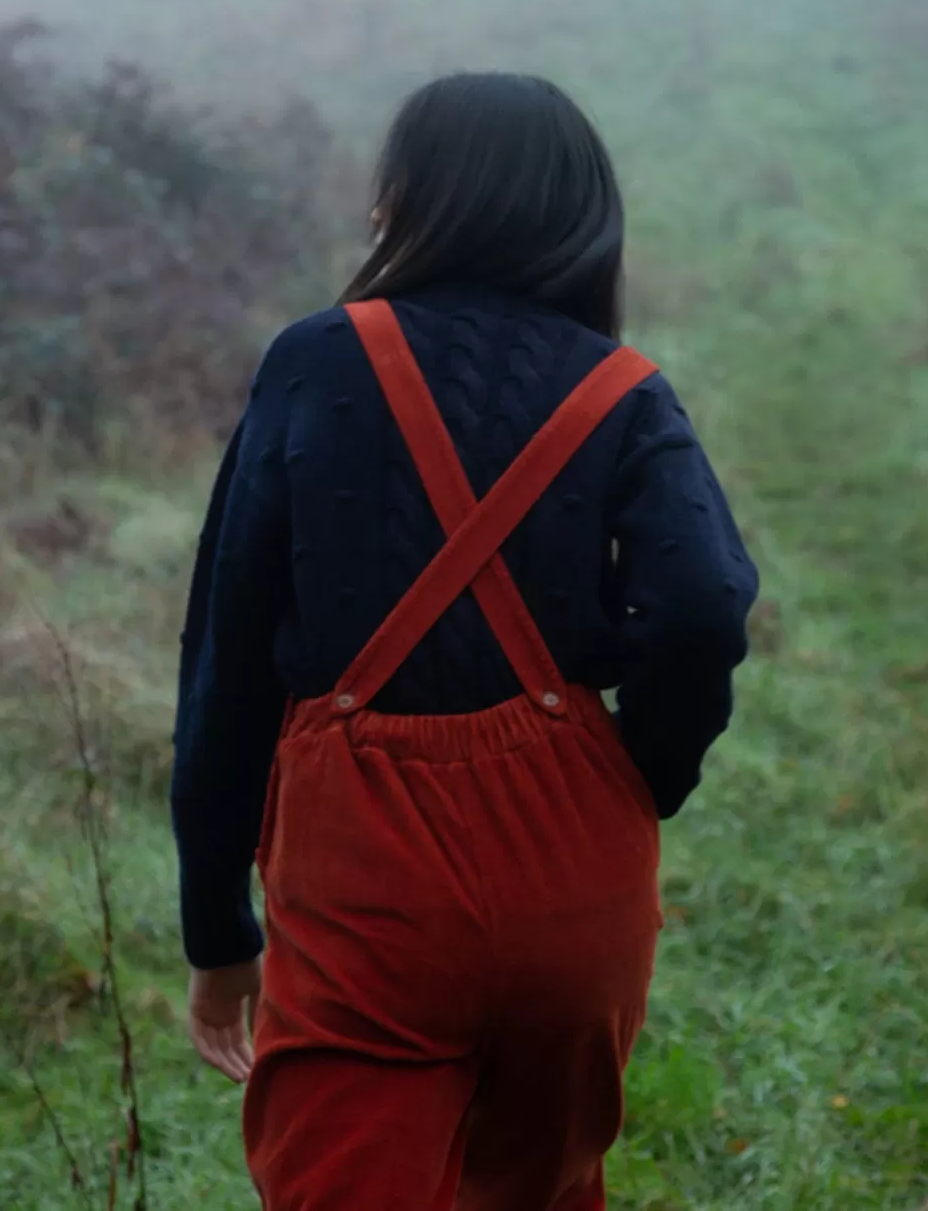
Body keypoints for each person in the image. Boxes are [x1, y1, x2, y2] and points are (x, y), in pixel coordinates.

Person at [171, 72, 758, 1210]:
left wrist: (215, 925)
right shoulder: (627, 390)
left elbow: (227, 656)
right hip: (576, 876)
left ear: (402, 199)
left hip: (365, 881)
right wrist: (639, 780)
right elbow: (700, 606)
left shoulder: (315, 361)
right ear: (585, 216)